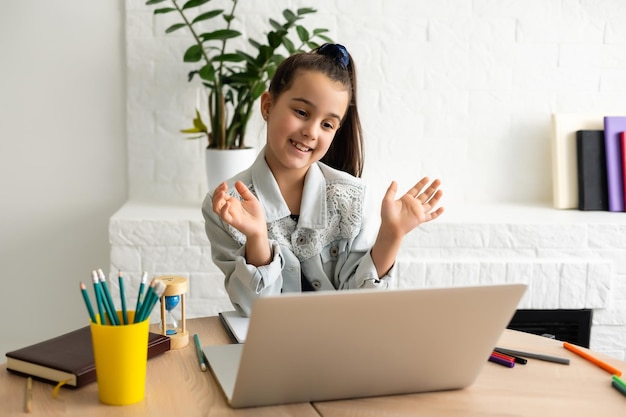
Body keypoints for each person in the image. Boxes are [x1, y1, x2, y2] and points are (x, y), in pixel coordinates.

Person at [202, 43, 444, 316]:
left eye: (327, 124)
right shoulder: (223, 206)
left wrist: (391, 234)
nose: (311, 132)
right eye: (302, 113)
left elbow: (363, 306)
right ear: (268, 106)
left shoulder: (353, 197)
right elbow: (254, 310)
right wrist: (257, 237)